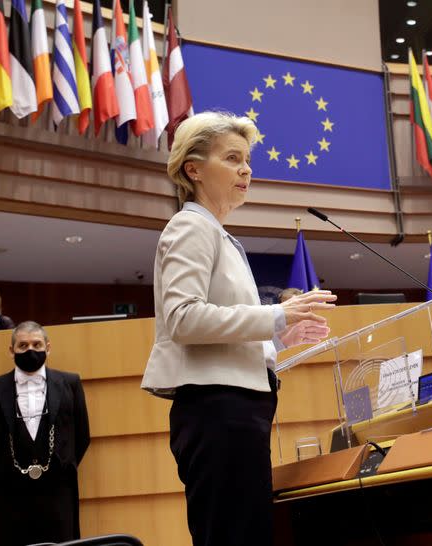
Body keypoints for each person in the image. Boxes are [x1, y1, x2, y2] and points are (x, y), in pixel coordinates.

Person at [140, 111, 336, 546]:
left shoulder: (221, 235)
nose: (246, 169)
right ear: (193, 169)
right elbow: (184, 319)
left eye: (247, 159)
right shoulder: (191, 226)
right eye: (232, 158)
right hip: (217, 409)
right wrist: (276, 316)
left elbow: (221, 329)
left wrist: (276, 339)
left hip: (237, 406)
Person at [0, 321, 90, 546]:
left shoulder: (71, 383)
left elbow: (82, 435)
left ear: (48, 347)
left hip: (58, 494)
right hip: (7, 496)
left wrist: (63, 466)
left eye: (37, 344)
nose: (30, 350)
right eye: (23, 345)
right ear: (11, 351)